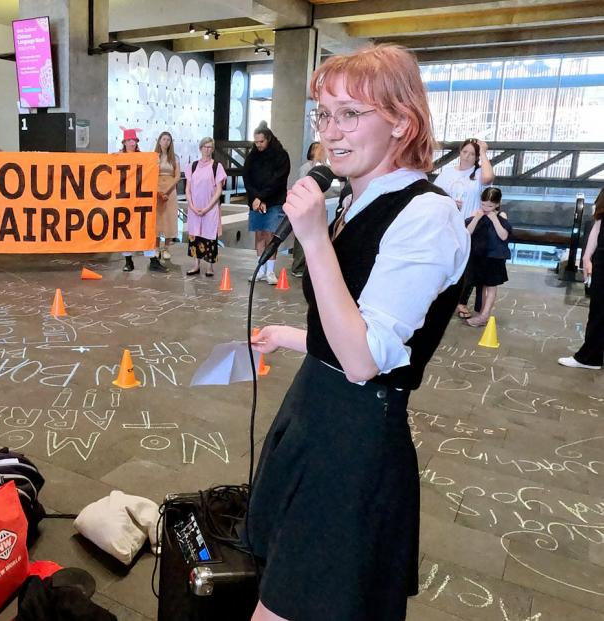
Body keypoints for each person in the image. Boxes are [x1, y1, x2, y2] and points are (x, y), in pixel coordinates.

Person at [248, 45, 469, 621]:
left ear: (402, 120)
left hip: (353, 441)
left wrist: (315, 240)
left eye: (351, 114)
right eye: (324, 114)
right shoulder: (357, 197)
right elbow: (351, 320)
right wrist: (293, 337)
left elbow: (366, 359)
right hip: (314, 416)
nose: (332, 133)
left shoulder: (427, 215)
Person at [433, 138, 494, 318]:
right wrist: (450, 203)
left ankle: (461, 302)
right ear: (460, 152)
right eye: (465, 152)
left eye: (472, 154)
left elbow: (489, 178)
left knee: (468, 267)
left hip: (471, 225)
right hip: (448, 225)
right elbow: (434, 196)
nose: (467, 156)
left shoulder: (478, 174)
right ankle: (439, 297)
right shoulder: (447, 173)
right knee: (445, 263)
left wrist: (483, 151)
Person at [559, 188, 604, 370]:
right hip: (602, 257)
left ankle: (591, 357)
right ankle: (591, 356)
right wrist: (587, 257)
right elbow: (599, 223)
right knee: (599, 310)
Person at [243, 126, 291, 284]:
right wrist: (255, 199)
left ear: (268, 138)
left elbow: (278, 180)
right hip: (256, 202)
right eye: (256, 142)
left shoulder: (281, 155)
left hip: (274, 201)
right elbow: (247, 178)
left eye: (261, 141)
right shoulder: (252, 156)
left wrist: (263, 198)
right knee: (259, 235)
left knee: (270, 234)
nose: (258, 145)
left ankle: (270, 271)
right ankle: (260, 270)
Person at [117, 128, 167, 273]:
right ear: (125, 142)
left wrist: (157, 192)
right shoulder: (119, 157)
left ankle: (153, 260)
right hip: (124, 199)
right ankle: (128, 261)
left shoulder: (143, 158)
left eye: (134, 140)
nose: (132, 143)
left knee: (145, 229)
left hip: (140, 198)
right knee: (125, 229)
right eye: (129, 140)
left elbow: (149, 178)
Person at [463, 187, 512, 327]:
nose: (486, 208)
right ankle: (481, 313)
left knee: (491, 286)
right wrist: (477, 217)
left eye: (490, 205)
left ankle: (484, 315)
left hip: (494, 257)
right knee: (481, 285)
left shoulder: (501, 215)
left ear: (497, 204)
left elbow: (504, 236)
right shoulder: (477, 213)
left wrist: (494, 219)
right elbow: (466, 233)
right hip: (478, 255)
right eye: (483, 204)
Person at [183, 137, 226, 277]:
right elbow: (187, 188)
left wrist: (208, 207)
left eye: (210, 147)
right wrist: (192, 205)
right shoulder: (192, 166)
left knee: (210, 236)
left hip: (210, 208)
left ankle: (210, 266)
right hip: (195, 208)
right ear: (200, 148)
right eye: (205, 147)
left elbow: (219, 190)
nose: (207, 150)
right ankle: (196, 264)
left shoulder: (217, 167)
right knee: (195, 235)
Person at [290, 141, 328, 277]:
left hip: (320, 207)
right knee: (303, 238)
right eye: (317, 149)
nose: (320, 152)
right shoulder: (306, 168)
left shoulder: (325, 168)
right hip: (306, 208)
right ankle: (298, 267)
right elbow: (302, 186)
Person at [154, 132, 180, 261]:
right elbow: (150, 174)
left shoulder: (174, 157)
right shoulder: (153, 157)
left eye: (168, 140)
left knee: (170, 218)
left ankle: (166, 248)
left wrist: (167, 190)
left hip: (170, 191)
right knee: (157, 218)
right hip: (156, 190)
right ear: (159, 141)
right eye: (163, 139)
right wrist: (159, 191)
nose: (166, 142)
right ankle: (156, 247)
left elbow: (177, 176)